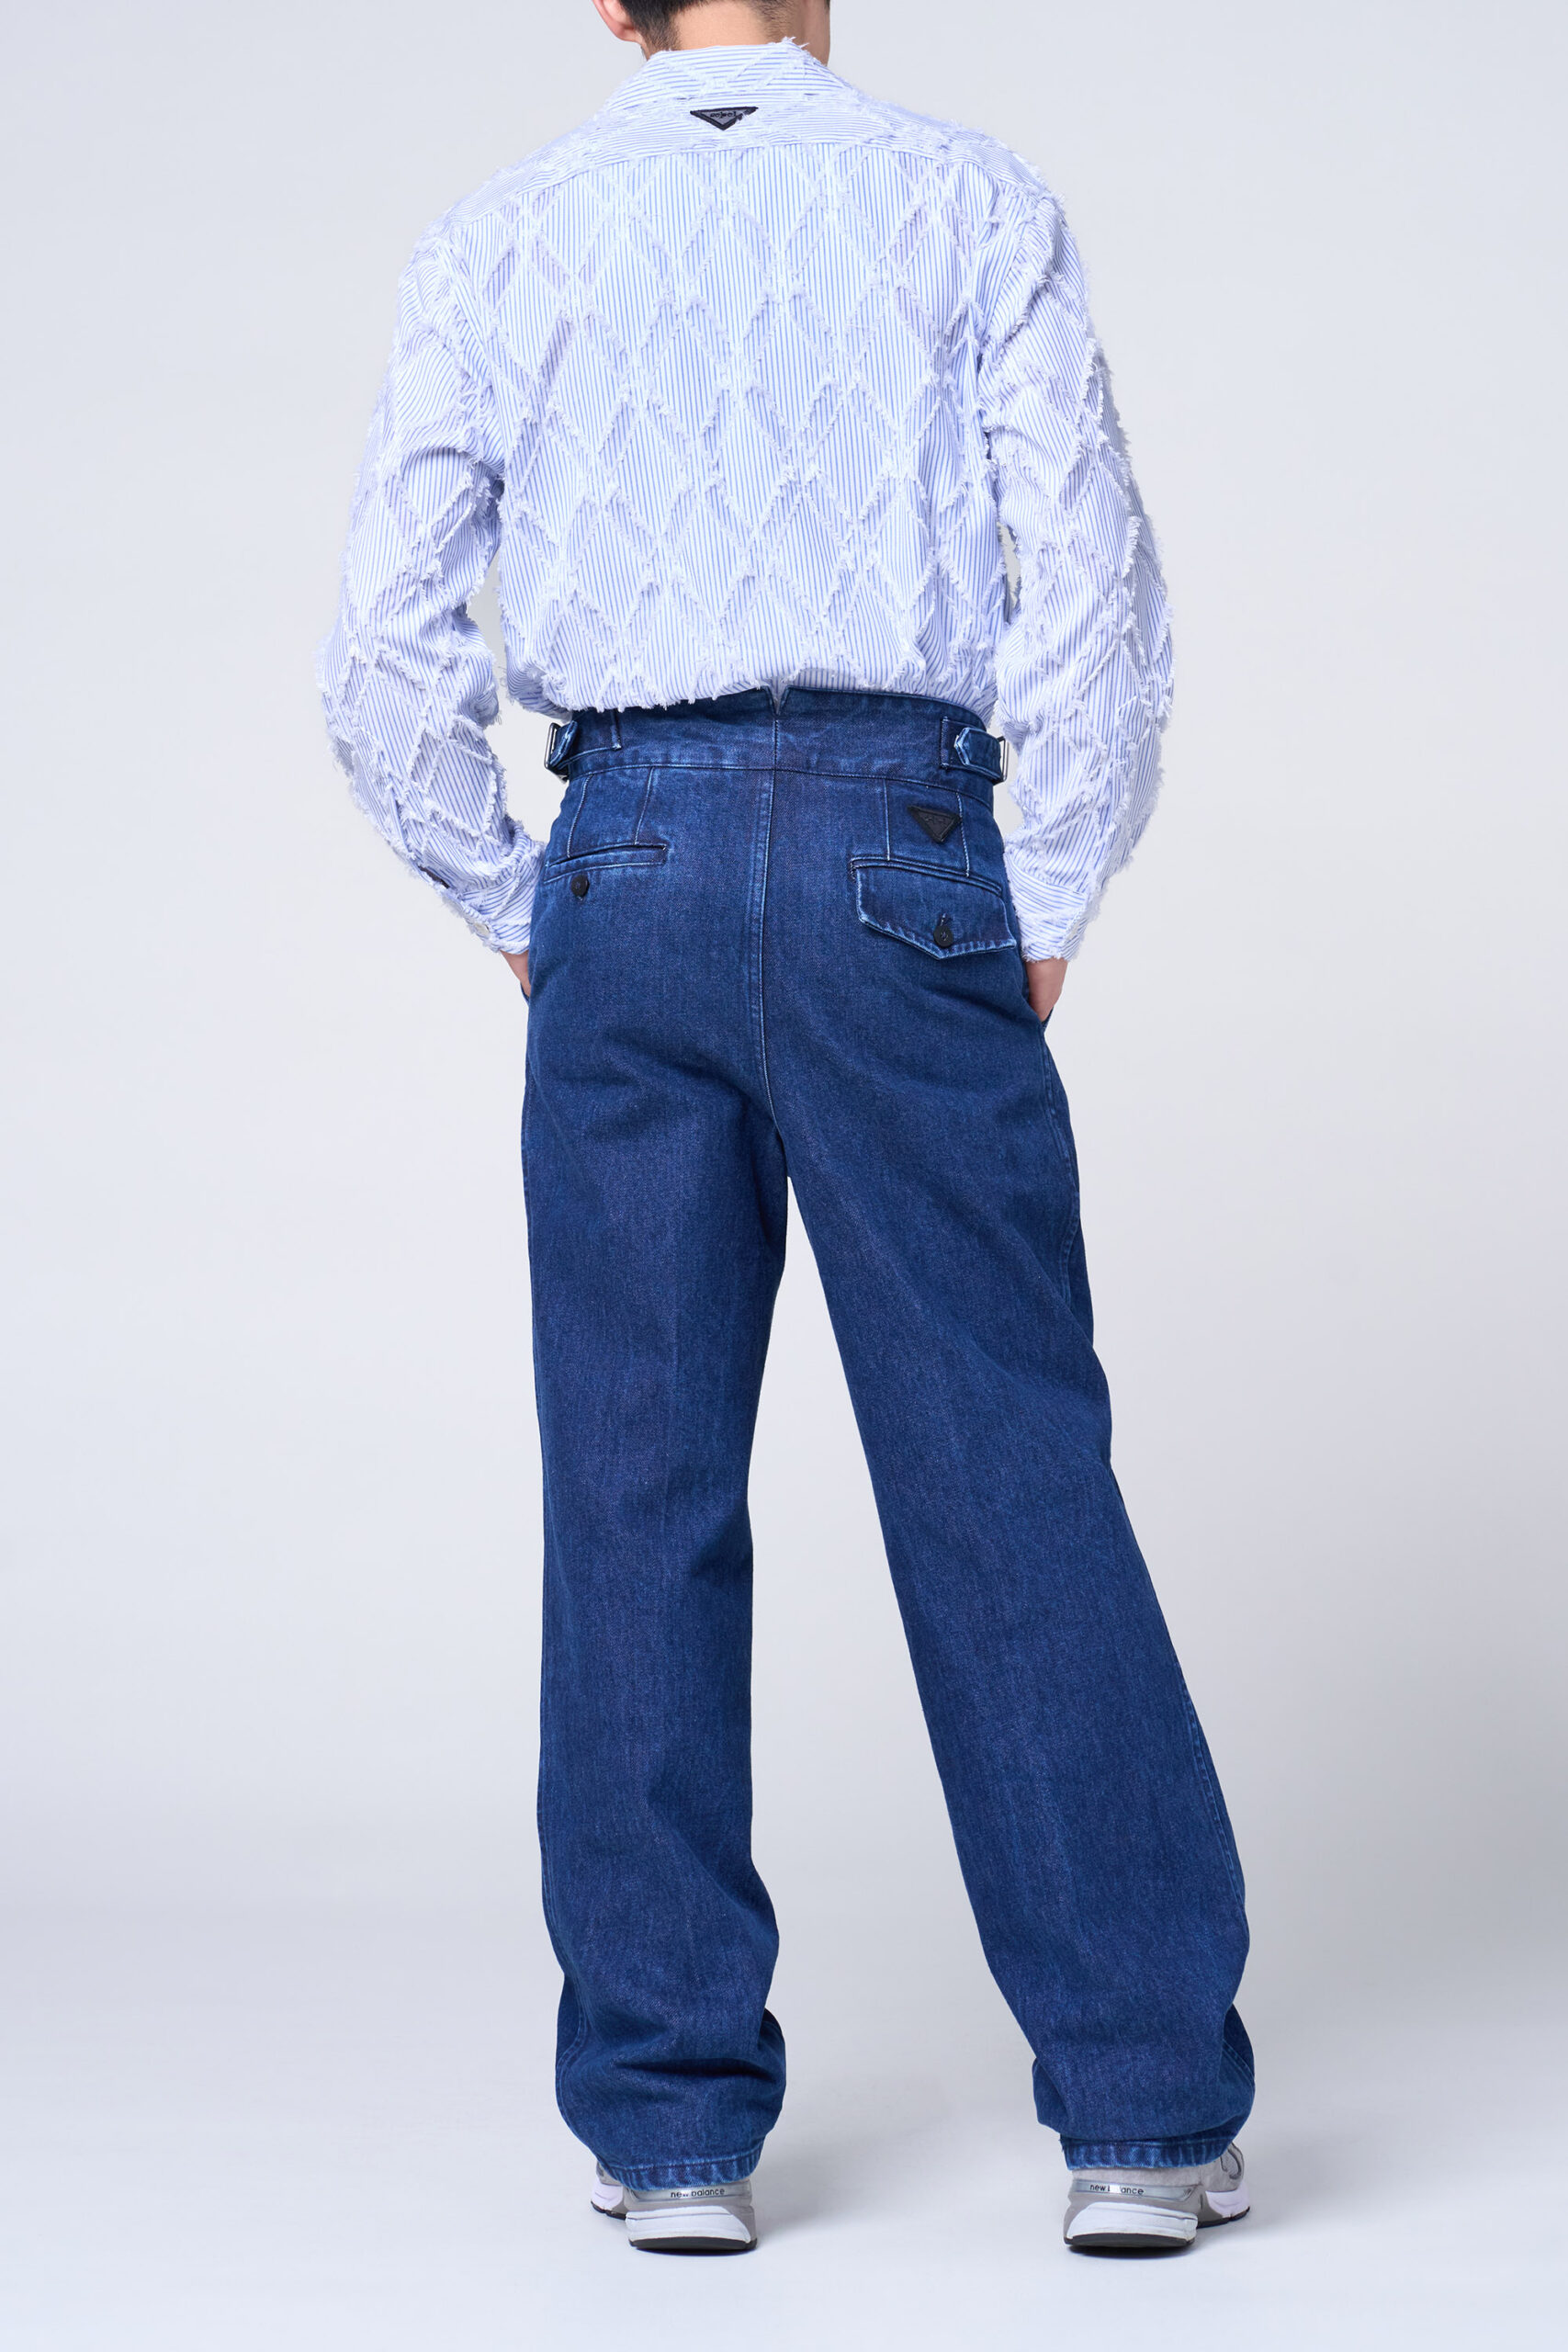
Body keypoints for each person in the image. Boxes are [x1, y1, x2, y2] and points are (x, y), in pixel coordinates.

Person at [319, 0, 1253, 2260]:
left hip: (624, 861)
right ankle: (1139, 2113)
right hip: (896, 851)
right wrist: (1044, 885)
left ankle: (669, 2133)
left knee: (634, 1489)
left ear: (606, 0)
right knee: (1005, 1471)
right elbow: (1088, 578)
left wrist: (522, 902)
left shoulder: (503, 233)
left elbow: (378, 653)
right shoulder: (964, 198)